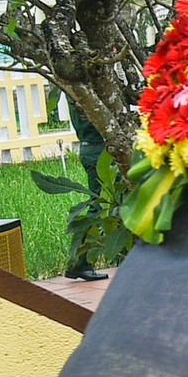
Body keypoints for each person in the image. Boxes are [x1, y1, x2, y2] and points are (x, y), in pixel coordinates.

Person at [63, 101, 109, 280]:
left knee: (102, 205)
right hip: (98, 149)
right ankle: (79, 262)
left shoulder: (71, 80)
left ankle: (79, 262)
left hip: (92, 147)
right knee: (99, 207)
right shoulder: (83, 82)